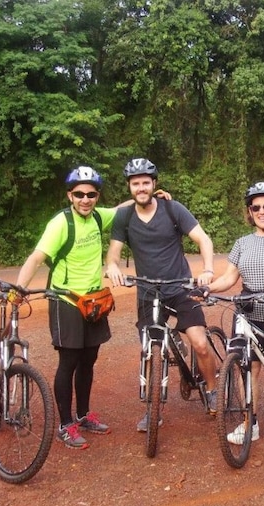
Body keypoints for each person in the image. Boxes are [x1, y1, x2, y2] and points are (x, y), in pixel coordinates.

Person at [190, 182, 264, 460]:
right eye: (256, 207)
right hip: (248, 313)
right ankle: (250, 424)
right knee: (247, 370)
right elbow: (230, 278)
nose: (262, 211)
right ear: (249, 212)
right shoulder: (242, 243)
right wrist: (208, 289)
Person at [15, 166, 125, 449]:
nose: (85, 199)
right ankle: (65, 425)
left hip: (94, 302)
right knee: (69, 362)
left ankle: (83, 415)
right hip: (66, 301)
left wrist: (151, 196)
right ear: (69, 196)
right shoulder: (61, 223)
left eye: (91, 194)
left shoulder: (99, 216)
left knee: (89, 360)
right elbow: (37, 257)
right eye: (79, 194)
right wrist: (19, 289)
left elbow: (122, 209)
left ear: (97, 196)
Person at [105, 157, 217, 431]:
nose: (141, 187)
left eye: (145, 182)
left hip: (179, 287)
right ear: (130, 187)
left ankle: (212, 390)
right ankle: (153, 409)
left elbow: (203, 239)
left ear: (154, 184)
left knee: (200, 344)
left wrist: (208, 270)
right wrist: (111, 266)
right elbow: (114, 253)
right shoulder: (125, 216)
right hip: (147, 292)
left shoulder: (172, 209)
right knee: (151, 350)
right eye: (135, 183)